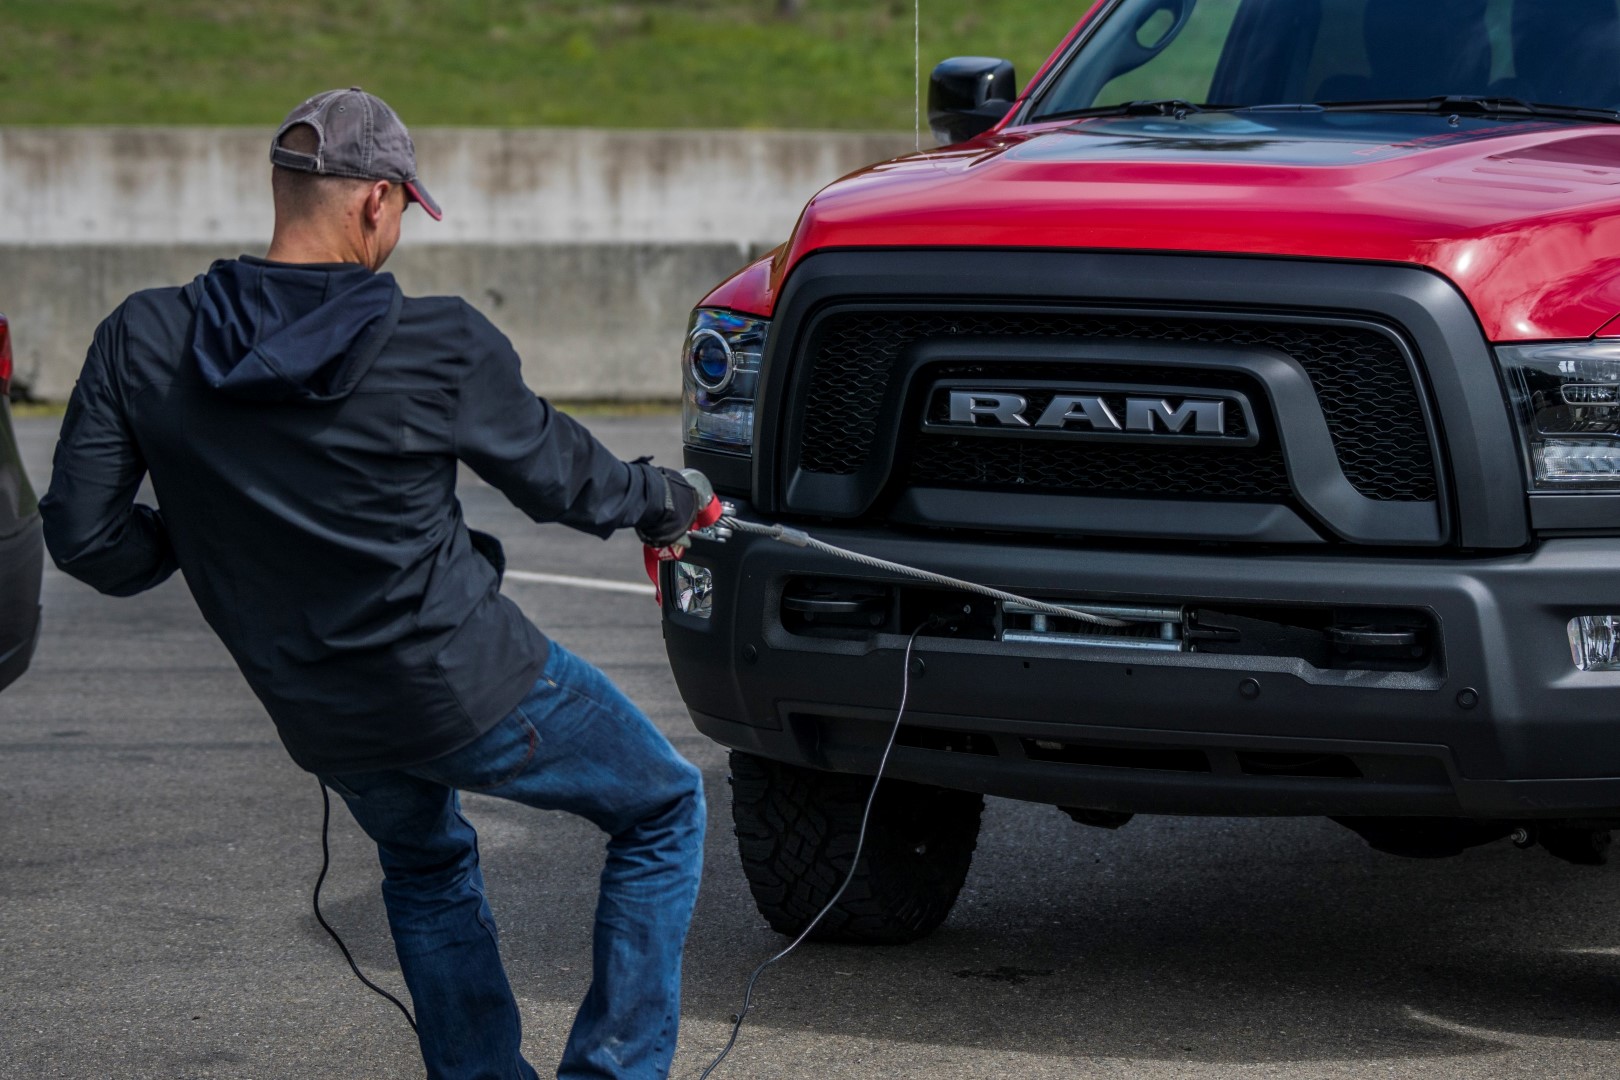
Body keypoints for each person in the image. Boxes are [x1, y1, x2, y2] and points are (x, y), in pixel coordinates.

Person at [39, 87, 709, 1080]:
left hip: (321, 713)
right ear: (377, 205)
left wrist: (207, 527)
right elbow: (569, 479)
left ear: (282, 188)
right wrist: (671, 501)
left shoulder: (144, 338)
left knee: (426, 861)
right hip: (467, 682)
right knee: (664, 808)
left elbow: (86, 538)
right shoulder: (437, 342)